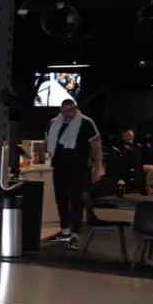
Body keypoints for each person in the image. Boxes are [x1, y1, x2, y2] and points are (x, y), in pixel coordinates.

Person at [45, 99, 103, 245]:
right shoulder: (54, 123)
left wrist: (98, 168)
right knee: (61, 198)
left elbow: (96, 146)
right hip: (59, 166)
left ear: (75, 109)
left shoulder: (86, 123)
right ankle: (65, 230)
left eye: (70, 111)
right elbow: (48, 142)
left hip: (79, 167)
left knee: (76, 199)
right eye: (64, 111)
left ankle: (75, 232)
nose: (67, 114)